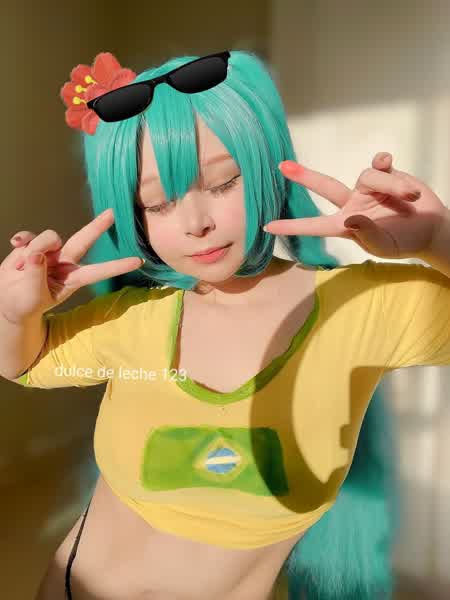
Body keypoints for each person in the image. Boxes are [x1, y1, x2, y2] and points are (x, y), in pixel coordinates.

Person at [1, 48, 449, 600]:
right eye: (157, 204)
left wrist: (438, 238)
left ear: (263, 166)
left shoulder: (360, 310)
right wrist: (14, 314)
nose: (196, 223)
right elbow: (22, 364)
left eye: (222, 182)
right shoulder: (133, 320)